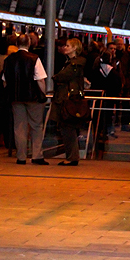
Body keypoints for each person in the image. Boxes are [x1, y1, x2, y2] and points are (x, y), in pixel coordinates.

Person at [2, 34, 49, 165]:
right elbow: (40, 79)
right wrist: (43, 94)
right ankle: (36, 155)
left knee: (19, 127)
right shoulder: (34, 59)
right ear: (29, 44)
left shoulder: (9, 60)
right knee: (36, 126)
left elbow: (5, 81)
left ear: (17, 44)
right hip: (33, 97)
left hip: (16, 97)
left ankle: (21, 156)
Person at [52, 38, 88, 166]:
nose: (65, 48)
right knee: (68, 129)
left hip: (68, 100)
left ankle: (72, 157)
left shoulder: (74, 64)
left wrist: (56, 77)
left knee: (68, 129)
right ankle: (72, 156)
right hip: (71, 99)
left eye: (68, 46)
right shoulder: (72, 63)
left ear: (74, 48)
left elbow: (62, 76)